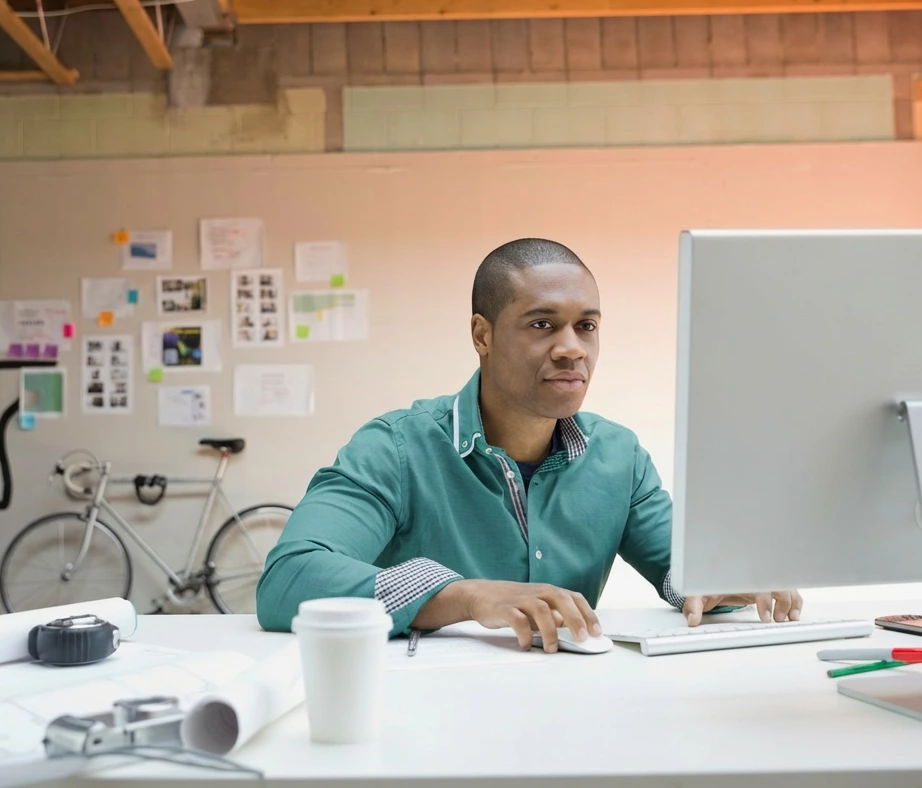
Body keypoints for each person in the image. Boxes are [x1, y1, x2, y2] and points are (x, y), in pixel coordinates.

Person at [255, 238, 801, 652]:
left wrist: (728, 578)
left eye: (586, 326)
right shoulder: (396, 449)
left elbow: (685, 570)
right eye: (542, 324)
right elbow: (289, 578)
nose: (571, 349)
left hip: (571, 715)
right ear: (482, 335)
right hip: (422, 720)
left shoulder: (620, 457)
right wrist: (467, 596)